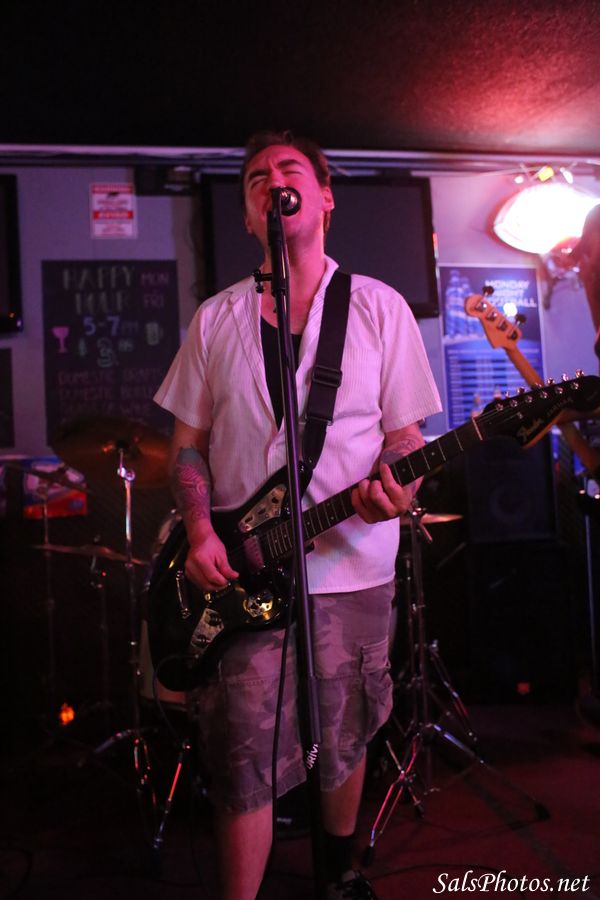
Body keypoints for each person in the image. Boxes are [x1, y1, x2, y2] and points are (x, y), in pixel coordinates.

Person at [154, 130, 442, 900]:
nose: (271, 181)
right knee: (242, 755)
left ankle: (339, 874)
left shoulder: (379, 308)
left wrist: (400, 488)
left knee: (345, 734)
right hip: (243, 573)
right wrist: (200, 531)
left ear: (324, 197)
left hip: (352, 566)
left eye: (289, 170)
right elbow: (187, 446)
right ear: (249, 214)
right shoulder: (215, 319)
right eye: (255, 177)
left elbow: (405, 437)